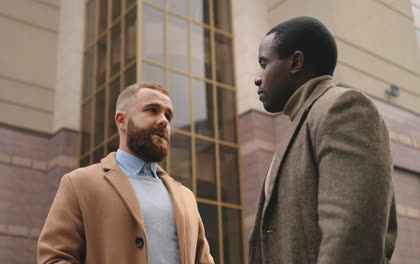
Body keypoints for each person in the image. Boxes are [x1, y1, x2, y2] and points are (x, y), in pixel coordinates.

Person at [248, 16, 397, 264]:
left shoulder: (344, 108)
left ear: (295, 62)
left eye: (264, 64)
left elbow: (352, 235)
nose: (258, 77)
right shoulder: (303, 124)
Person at [38, 82, 214, 264]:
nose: (164, 121)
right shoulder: (79, 183)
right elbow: (55, 259)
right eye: (152, 110)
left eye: (168, 115)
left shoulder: (186, 197)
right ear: (121, 120)